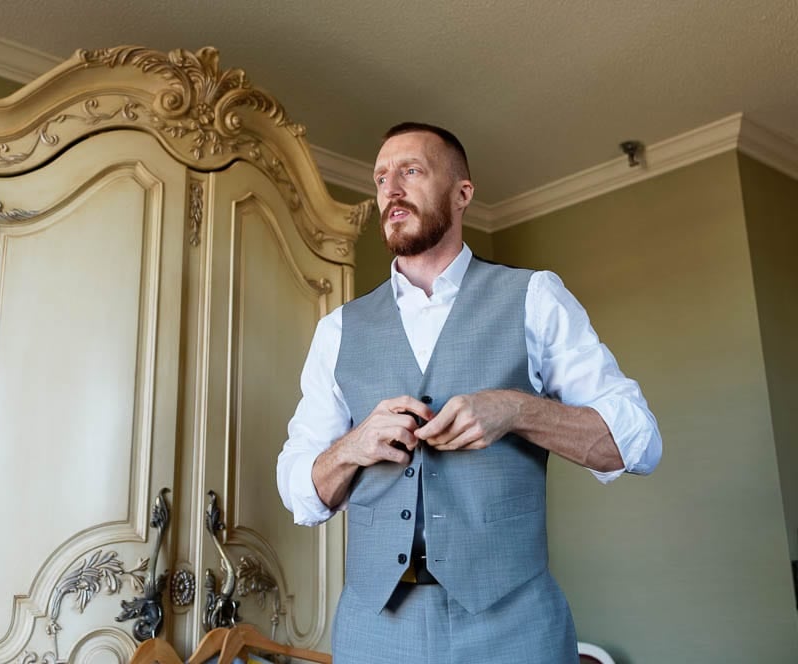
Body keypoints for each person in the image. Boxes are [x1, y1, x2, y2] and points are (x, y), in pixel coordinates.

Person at [276, 122, 662, 663]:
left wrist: (517, 409)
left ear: (463, 193)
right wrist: (352, 446)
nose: (391, 187)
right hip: (373, 632)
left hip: (514, 627)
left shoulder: (534, 298)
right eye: (381, 176)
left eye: (411, 170)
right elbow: (299, 493)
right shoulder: (337, 330)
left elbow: (637, 442)